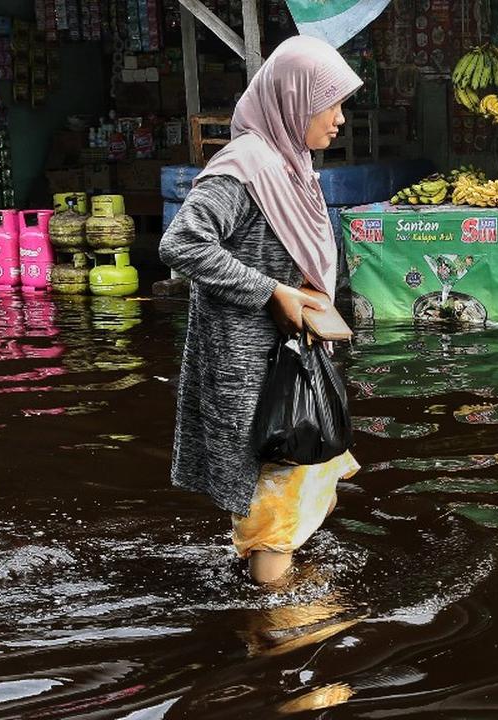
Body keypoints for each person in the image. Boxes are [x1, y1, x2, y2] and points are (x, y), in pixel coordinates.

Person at [158, 36, 362, 586]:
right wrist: (271, 291)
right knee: (275, 499)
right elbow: (182, 243)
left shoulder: (288, 166)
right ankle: (279, 635)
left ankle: (264, 584)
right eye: (331, 104)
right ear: (294, 101)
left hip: (288, 355)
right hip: (252, 367)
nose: (340, 119)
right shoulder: (246, 166)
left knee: (294, 485)